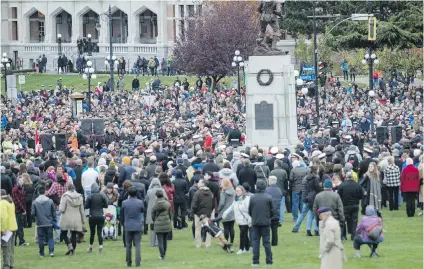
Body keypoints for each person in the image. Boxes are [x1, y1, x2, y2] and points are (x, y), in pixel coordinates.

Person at [248, 180, 273, 267]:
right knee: (266, 242)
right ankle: (269, 261)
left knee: (255, 242)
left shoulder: (252, 197)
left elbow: (249, 211)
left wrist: (254, 217)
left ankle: (255, 261)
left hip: (255, 222)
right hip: (266, 222)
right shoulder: (269, 197)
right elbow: (272, 210)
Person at [292, 165, 321, 236]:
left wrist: (304, 198)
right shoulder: (315, 178)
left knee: (303, 214)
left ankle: (296, 228)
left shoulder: (305, 178)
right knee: (313, 214)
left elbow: (304, 189)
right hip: (312, 198)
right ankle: (315, 229)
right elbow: (317, 188)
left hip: (305, 198)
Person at [223, 185, 251, 254]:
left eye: (238, 191)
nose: (237, 192)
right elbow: (231, 207)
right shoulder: (236, 199)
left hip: (245, 220)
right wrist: (225, 213)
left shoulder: (246, 199)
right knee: (245, 235)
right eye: (236, 191)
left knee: (242, 234)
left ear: (242, 191)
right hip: (239, 220)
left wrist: (250, 220)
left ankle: (241, 249)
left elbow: (250, 210)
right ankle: (247, 249)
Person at [121, 186, 144, 267]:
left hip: (128, 225)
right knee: (137, 244)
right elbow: (142, 211)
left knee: (128, 245)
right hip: (137, 225)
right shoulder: (140, 202)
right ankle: (138, 262)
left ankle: (128, 262)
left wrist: (123, 223)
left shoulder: (124, 203)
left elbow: (121, 215)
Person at [59, 184, 85, 256]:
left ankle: (70, 246)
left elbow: (62, 209)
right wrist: (83, 220)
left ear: (68, 189)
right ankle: (73, 251)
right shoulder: (80, 197)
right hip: (76, 218)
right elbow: (82, 210)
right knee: (73, 234)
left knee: (63, 233)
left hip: (66, 218)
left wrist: (59, 207)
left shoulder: (65, 196)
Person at [337, 171, 364, 241]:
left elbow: (338, 196)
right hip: (355, 205)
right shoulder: (357, 185)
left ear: (346, 177)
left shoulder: (342, 185)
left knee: (343, 220)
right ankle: (353, 235)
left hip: (344, 206)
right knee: (354, 220)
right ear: (352, 177)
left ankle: (343, 236)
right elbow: (361, 196)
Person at [31, 186, 56, 258]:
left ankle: (41, 253)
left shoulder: (35, 202)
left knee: (41, 238)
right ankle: (51, 252)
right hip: (49, 222)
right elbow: (53, 211)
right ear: (45, 192)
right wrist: (54, 219)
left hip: (39, 223)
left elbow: (32, 213)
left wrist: (36, 217)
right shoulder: (50, 201)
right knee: (50, 237)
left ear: (38, 192)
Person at [85, 183, 108, 253]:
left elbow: (86, 206)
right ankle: (100, 246)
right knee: (99, 232)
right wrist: (101, 205)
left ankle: (90, 247)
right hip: (101, 216)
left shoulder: (90, 196)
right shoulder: (102, 195)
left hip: (92, 216)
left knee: (92, 233)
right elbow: (106, 205)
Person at [191, 179, 214, 248]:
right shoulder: (210, 193)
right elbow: (212, 204)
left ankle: (198, 245)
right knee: (208, 230)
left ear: (203, 184)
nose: (198, 183)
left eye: (199, 182)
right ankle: (208, 244)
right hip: (207, 214)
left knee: (198, 229)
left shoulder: (197, 193)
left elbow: (194, 204)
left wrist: (192, 212)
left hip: (198, 214)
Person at [145, 178, 167, 247]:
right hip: (160, 210)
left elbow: (146, 200)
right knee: (159, 226)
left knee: (152, 227)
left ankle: (152, 243)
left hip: (151, 210)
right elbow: (166, 199)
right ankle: (158, 242)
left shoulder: (149, 191)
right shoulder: (162, 190)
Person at [151, 190, 172, 260]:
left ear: (156, 196)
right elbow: (170, 213)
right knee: (164, 240)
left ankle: (162, 255)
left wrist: (155, 220)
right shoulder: (167, 203)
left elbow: (152, 214)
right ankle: (164, 253)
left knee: (160, 240)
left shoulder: (155, 205)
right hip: (166, 223)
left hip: (158, 223)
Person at [0, 189, 18, 268]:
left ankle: (6, 265)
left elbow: (4, 217)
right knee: (11, 249)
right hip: (13, 227)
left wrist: (3, 229)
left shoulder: (2, 203)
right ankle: (11, 264)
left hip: (7, 229)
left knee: (6, 249)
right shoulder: (11, 202)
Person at [11, 176, 29, 246]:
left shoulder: (21, 188)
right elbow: (17, 201)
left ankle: (17, 241)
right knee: (19, 226)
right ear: (17, 181)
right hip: (17, 210)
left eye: (22, 181)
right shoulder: (15, 189)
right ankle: (20, 241)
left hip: (19, 209)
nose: (21, 182)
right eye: (20, 181)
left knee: (19, 226)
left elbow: (22, 199)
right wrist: (23, 209)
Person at [264, 176, 282, 246]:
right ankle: (274, 243)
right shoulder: (279, 190)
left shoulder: (267, 190)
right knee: (275, 229)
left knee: (267, 228)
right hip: (276, 211)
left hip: (268, 212)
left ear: (270, 181)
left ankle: (267, 242)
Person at [270, 159, 288, 224]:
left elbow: (270, 182)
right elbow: (286, 182)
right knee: (282, 205)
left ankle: (275, 217)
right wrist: (286, 190)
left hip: (274, 191)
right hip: (282, 190)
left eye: (274, 163)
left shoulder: (272, 172)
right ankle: (281, 219)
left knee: (273, 205)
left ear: (277, 164)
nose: (274, 165)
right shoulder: (284, 172)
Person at [218, 178, 236, 245]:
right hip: (232, 211)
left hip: (225, 212)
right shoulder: (234, 191)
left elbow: (222, 203)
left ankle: (226, 241)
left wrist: (219, 210)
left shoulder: (223, 193)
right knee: (231, 227)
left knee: (226, 228)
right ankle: (232, 241)